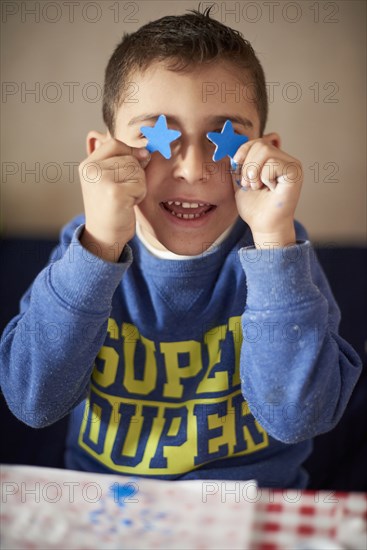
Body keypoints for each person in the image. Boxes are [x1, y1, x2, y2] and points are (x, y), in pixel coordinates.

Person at [0, 9, 362, 488]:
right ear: (101, 156)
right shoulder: (82, 252)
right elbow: (34, 400)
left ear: (265, 151)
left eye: (223, 137)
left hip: (251, 519)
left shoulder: (284, 254)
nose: (192, 169)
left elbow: (299, 418)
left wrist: (274, 241)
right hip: (111, 515)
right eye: (158, 135)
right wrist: (102, 243)